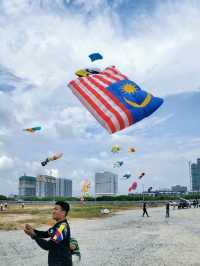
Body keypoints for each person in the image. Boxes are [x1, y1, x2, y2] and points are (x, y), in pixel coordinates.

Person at [24, 201, 72, 266]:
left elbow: (48, 246)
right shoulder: (58, 225)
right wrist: (33, 230)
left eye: (56, 209)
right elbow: (45, 234)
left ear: (63, 213)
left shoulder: (62, 228)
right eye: (53, 209)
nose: (53, 211)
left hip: (61, 263)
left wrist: (34, 236)